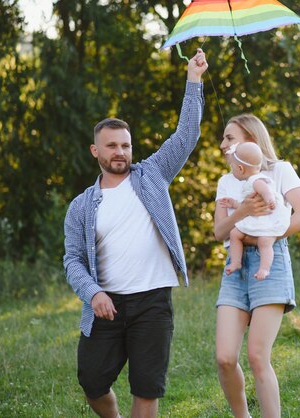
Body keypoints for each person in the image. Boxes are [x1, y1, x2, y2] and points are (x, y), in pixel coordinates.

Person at [63, 49, 207, 418]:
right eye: (112, 145)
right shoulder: (82, 205)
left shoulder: (152, 175)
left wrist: (193, 80)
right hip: (106, 306)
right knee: (92, 382)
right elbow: (73, 260)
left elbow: (186, 134)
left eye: (125, 145)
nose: (120, 152)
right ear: (96, 150)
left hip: (153, 302)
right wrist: (93, 292)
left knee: (146, 389)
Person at [214, 114, 300, 418]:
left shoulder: (279, 171)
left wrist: (264, 237)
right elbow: (220, 233)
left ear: (251, 140)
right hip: (235, 265)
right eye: (224, 138)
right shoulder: (226, 181)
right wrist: (241, 211)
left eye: (230, 138)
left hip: (270, 262)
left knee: (258, 357)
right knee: (224, 358)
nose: (223, 145)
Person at [218, 142, 291, 280]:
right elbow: (248, 204)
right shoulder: (249, 182)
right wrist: (233, 203)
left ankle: (264, 268)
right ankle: (236, 262)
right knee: (234, 234)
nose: (231, 170)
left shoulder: (256, 180)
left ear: (240, 168)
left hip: (267, 218)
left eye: (232, 167)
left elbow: (265, 190)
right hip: (255, 218)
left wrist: (269, 198)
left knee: (265, 241)